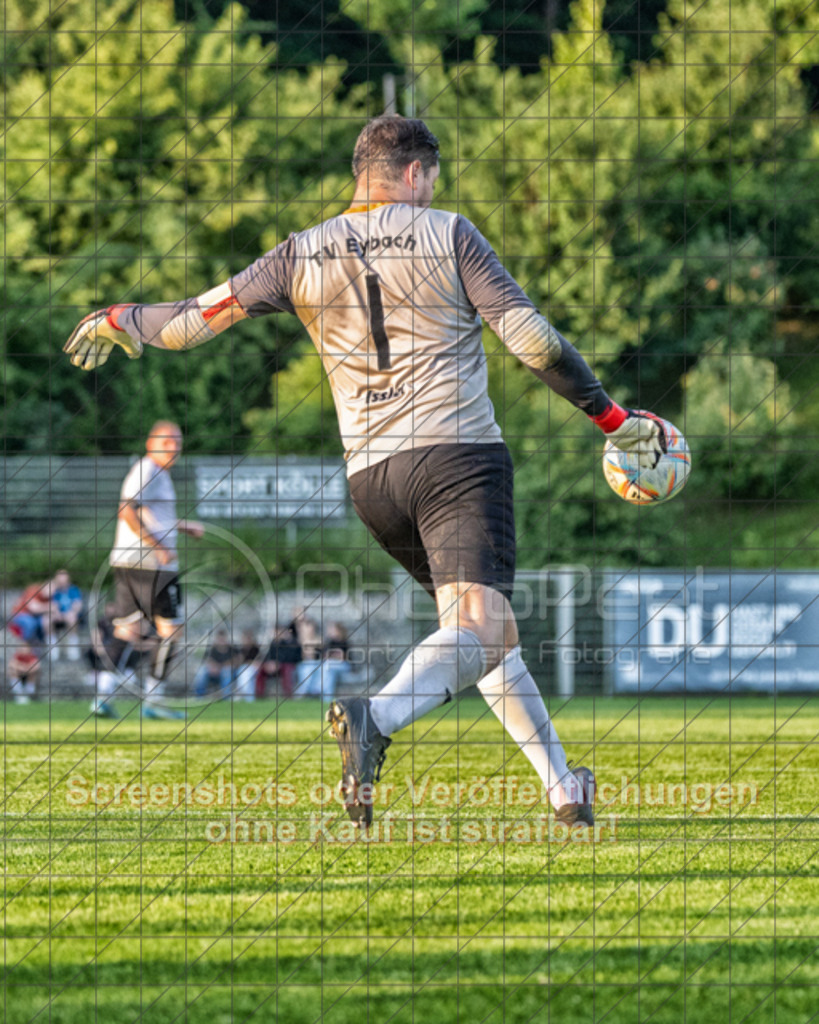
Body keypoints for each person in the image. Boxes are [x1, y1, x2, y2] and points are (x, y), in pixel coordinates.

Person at [64, 114, 667, 830]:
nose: (434, 188)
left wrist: (119, 315)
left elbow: (193, 320)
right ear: (414, 173)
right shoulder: (447, 231)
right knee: (479, 625)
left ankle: (564, 788)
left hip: (372, 482)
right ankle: (373, 717)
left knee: (480, 631)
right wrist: (611, 418)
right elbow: (533, 341)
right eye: (432, 176)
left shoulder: (300, 252)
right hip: (454, 457)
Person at [94, 420, 204, 719]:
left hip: (129, 561)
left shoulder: (159, 474)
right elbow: (126, 510)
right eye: (167, 441)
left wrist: (184, 527)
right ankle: (155, 702)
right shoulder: (148, 470)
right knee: (171, 631)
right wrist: (158, 548)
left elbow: (149, 514)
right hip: (151, 565)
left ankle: (101, 698)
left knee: (127, 629)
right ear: (150, 443)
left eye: (178, 441)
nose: (174, 447)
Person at [50, 569, 84, 661]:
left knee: (72, 618)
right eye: (59, 581)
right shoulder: (54, 591)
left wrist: (71, 613)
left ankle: (73, 645)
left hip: (70, 615)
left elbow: (77, 605)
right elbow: (52, 604)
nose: (61, 583)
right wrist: (57, 614)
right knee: (46, 620)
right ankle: (52, 645)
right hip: (58, 615)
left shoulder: (74, 590)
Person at [193, 628, 237, 697]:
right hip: (213, 671)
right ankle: (199, 696)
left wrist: (222, 666)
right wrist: (214, 667)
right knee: (201, 672)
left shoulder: (232, 649)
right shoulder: (212, 649)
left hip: (226, 671)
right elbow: (208, 660)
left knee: (227, 671)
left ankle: (226, 696)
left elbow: (237, 660)